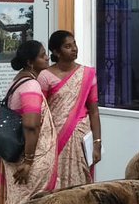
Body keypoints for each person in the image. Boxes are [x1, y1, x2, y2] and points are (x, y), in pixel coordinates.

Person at [0, 40, 57, 204]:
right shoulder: (31, 85)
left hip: (19, 155)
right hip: (29, 160)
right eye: (43, 55)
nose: (47, 58)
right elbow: (31, 125)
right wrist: (28, 162)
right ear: (30, 62)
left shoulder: (17, 81)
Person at [38, 29, 101, 188]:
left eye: (74, 44)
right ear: (56, 52)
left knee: (81, 185)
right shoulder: (45, 76)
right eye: (68, 46)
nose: (74, 49)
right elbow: (41, 112)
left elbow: (94, 111)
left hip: (80, 139)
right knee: (55, 184)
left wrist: (97, 143)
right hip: (54, 139)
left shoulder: (87, 74)